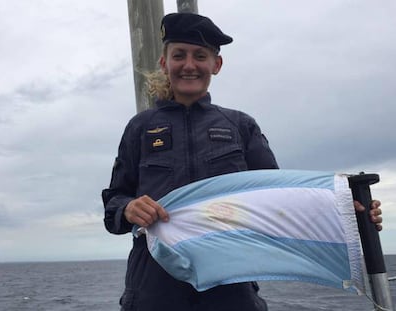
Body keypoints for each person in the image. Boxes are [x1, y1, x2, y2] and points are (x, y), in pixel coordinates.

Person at [102, 12, 383, 311]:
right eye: (179, 55)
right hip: (153, 289)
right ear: (164, 62)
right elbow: (113, 206)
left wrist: (347, 213)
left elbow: (281, 199)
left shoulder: (240, 125)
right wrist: (129, 208)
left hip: (232, 289)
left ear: (216, 65)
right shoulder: (139, 128)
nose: (189, 65)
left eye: (200, 56)